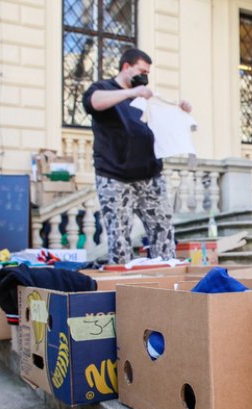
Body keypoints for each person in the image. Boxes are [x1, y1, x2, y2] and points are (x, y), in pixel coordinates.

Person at [83, 48, 191, 264]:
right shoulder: (104, 89)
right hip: (115, 176)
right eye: (141, 71)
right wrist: (131, 93)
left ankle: (166, 277)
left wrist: (179, 109)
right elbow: (93, 102)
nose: (144, 78)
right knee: (119, 235)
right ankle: (124, 286)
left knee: (163, 229)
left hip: (150, 174)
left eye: (147, 73)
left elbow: (165, 123)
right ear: (126, 67)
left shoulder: (147, 96)